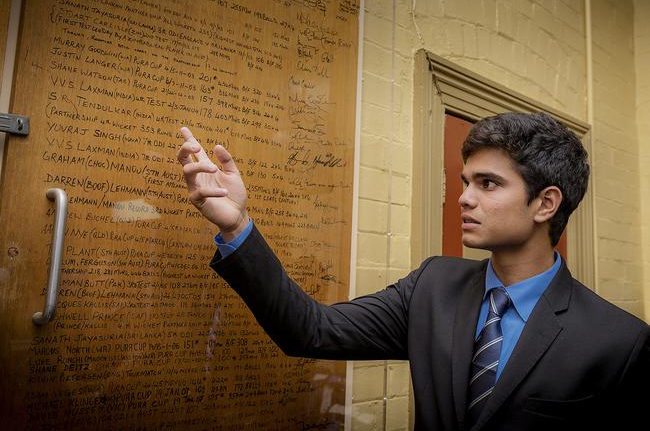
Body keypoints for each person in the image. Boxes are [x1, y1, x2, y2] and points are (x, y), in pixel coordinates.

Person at [177, 112, 649, 430]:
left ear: (546, 203)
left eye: (488, 184)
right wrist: (237, 225)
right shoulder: (433, 286)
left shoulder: (619, 341)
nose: (465, 198)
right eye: (466, 182)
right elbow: (311, 330)